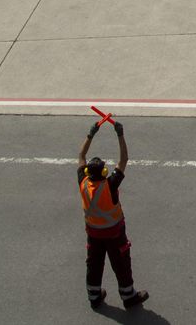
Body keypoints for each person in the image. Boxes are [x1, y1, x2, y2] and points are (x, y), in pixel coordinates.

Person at [77, 119, 149, 311]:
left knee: (94, 264)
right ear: (104, 172)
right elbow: (124, 159)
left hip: (93, 234)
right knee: (121, 264)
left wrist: (90, 134)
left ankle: (94, 295)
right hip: (114, 234)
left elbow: (81, 155)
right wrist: (120, 134)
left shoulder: (83, 182)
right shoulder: (109, 185)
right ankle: (128, 295)